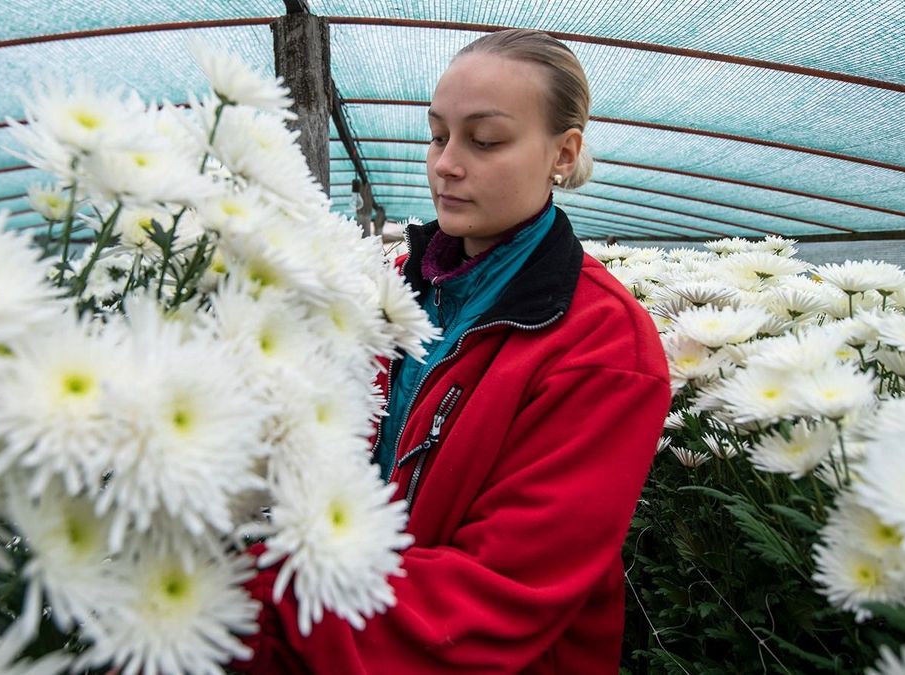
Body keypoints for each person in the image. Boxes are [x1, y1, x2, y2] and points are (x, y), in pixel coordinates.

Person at [240, 29, 671, 673]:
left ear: (563, 152)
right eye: (438, 135)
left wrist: (259, 599)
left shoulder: (603, 346)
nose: (446, 163)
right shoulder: (392, 285)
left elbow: (497, 596)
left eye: (485, 140)